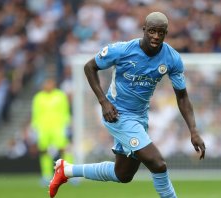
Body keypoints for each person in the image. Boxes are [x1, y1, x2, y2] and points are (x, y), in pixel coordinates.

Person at [49, 12, 206, 198]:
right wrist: (103, 102)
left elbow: (182, 97)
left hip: (140, 117)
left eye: (161, 32)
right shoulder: (122, 50)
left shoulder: (172, 58)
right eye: (152, 31)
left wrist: (193, 130)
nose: (156, 36)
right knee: (158, 163)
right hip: (117, 114)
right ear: (144, 30)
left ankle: (66, 170)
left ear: (166, 33)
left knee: (122, 174)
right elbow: (89, 67)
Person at [31, 78, 73, 185]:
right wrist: (35, 127)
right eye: (46, 83)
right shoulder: (38, 97)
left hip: (58, 128)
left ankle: (70, 174)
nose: (48, 85)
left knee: (65, 150)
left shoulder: (60, 95)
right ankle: (47, 175)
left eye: (50, 83)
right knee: (44, 152)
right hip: (43, 129)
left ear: (54, 84)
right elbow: (35, 114)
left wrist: (66, 125)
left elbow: (65, 111)